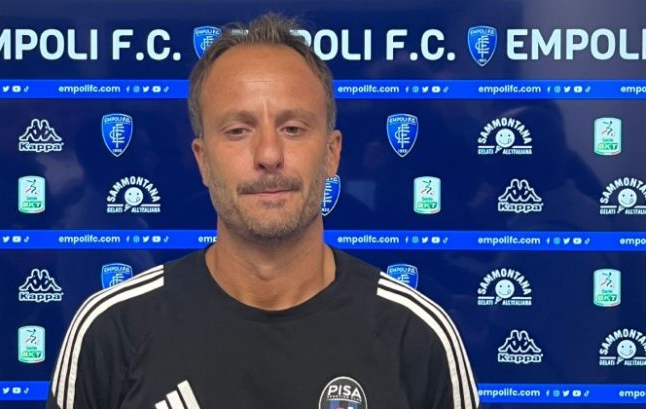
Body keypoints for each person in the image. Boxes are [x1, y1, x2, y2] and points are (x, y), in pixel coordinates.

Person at [46, 13, 479, 409]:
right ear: (202, 160)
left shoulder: (416, 335)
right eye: (238, 130)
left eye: (293, 128)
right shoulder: (112, 330)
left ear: (332, 154)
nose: (269, 154)